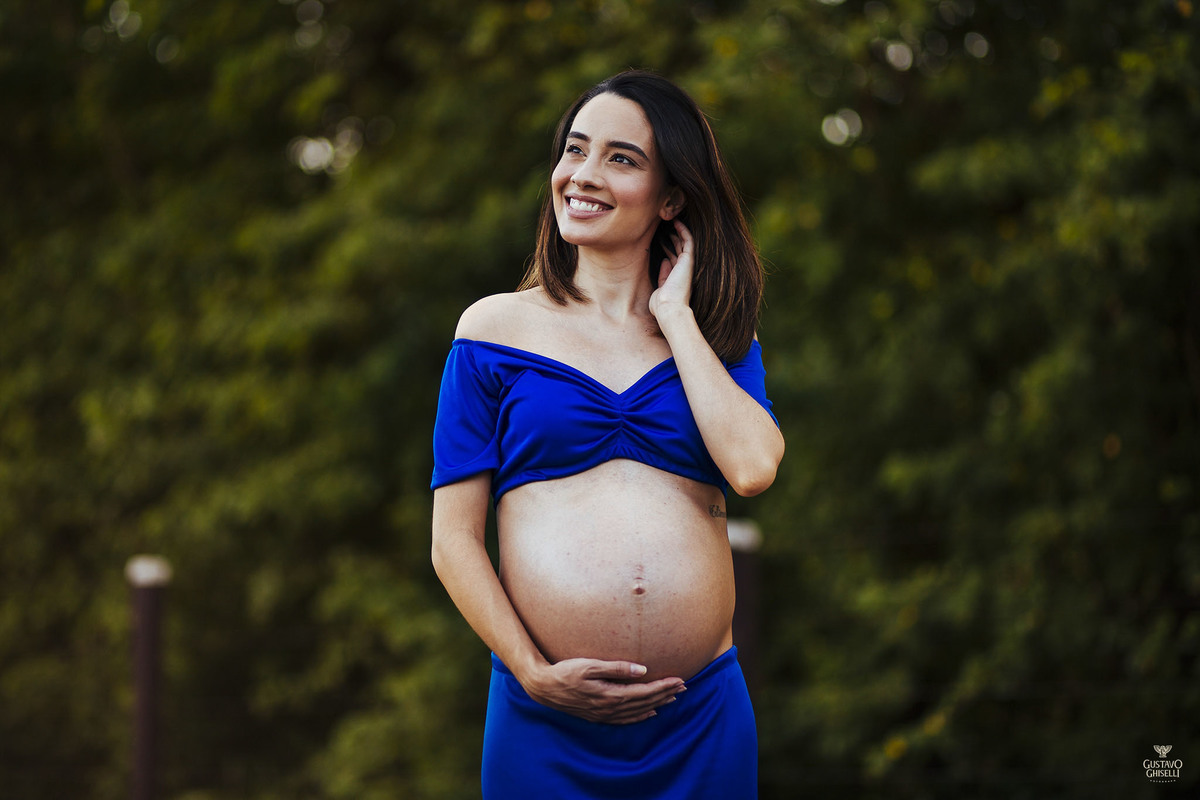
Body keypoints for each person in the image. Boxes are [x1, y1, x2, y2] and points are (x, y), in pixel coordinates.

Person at [430, 70, 784, 799]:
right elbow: (453, 541)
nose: (583, 175)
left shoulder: (715, 334)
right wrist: (532, 672)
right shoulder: (490, 331)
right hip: (543, 720)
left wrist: (677, 316)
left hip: (701, 721)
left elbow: (752, 468)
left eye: (621, 159)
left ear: (672, 197)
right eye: (575, 149)